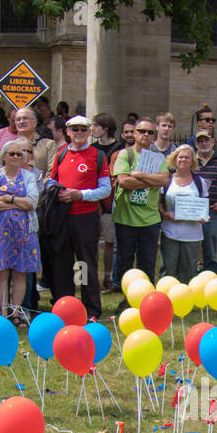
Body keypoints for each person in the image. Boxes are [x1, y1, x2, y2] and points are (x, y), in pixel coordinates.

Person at [46, 115, 111, 319]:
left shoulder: (97, 155)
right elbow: (50, 181)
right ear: (67, 132)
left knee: (84, 265)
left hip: (85, 218)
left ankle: (90, 309)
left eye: (83, 129)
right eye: (75, 129)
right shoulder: (61, 155)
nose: (79, 133)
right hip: (63, 219)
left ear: (89, 131)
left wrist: (80, 194)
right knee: (63, 264)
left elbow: (105, 189)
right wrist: (58, 191)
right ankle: (65, 309)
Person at [0, 138, 40, 323]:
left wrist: (8, 199)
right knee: (1, 273)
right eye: (12, 154)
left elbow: (31, 202)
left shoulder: (29, 176)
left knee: (20, 273)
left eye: (19, 154)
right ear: (3, 156)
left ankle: (15, 313)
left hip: (24, 233)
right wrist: (17, 203)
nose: (16, 156)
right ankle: (3, 312)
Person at [112, 117, 170, 283]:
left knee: (147, 263)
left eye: (150, 132)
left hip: (149, 220)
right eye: (142, 131)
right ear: (134, 133)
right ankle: (126, 298)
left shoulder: (158, 157)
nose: (146, 134)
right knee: (125, 263)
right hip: (126, 219)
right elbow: (123, 181)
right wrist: (152, 180)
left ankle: (146, 300)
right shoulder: (125, 154)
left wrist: (140, 175)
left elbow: (165, 181)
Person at [159, 144, 207, 282]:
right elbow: (158, 203)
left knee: (188, 273)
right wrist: (166, 214)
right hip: (170, 232)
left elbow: (204, 205)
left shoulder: (200, 182)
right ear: (175, 159)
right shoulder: (167, 180)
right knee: (168, 272)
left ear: (192, 161)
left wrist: (204, 216)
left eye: (187, 158)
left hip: (192, 235)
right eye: (180, 157)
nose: (183, 160)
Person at [92, 113, 122, 291]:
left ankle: (108, 277)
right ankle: (89, 279)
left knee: (110, 241)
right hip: (93, 202)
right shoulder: (91, 148)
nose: (92, 129)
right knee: (91, 243)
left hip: (109, 202)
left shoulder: (119, 149)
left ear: (105, 128)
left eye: (96, 126)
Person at [194, 129, 217, 277]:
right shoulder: (191, 160)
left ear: (213, 141)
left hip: (214, 210)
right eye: (200, 141)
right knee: (193, 244)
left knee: (210, 246)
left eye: (207, 140)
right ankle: (194, 274)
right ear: (196, 143)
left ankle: (210, 275)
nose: (204, 143)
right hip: (193, 211)